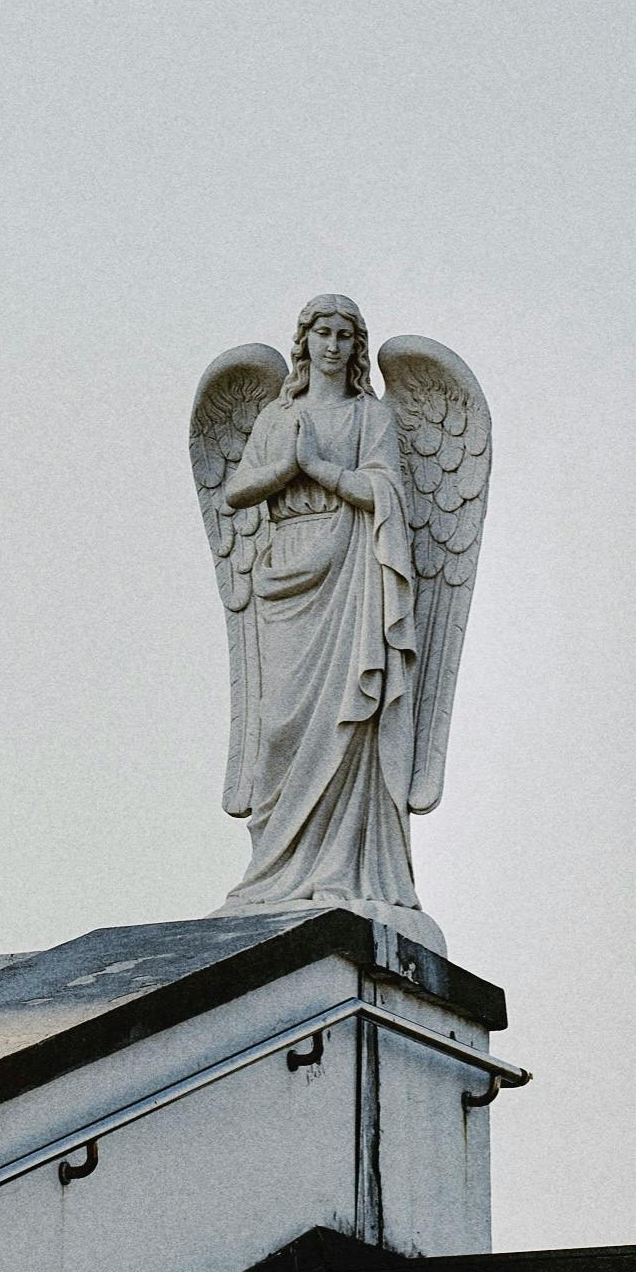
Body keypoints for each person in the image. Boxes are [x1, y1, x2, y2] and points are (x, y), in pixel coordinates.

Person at [217, 295, 430, 929]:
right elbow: (235, 489)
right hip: (286, 572)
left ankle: (343, 868)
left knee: (347, 719)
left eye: (344, 335)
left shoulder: (372, 416)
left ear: (355, 346)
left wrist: (323, 470)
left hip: (351, 574)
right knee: (282, 723)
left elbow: (384, 489)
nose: (332, 345)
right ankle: (275, 873)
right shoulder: (278, 417)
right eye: (322, 333)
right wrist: (285, 467)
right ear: (303, 342)